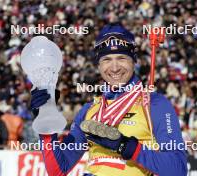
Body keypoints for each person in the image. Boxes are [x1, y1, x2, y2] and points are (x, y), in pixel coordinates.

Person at [30, 23, 187, 176]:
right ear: (98, 65)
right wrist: (45, 123)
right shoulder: (90, 109)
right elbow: (58, 170)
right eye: (107, 60)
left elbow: (178, 170)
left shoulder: (154, 104)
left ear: (134, 61)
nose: (114, 67)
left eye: (122, 58)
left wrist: (127, 147)